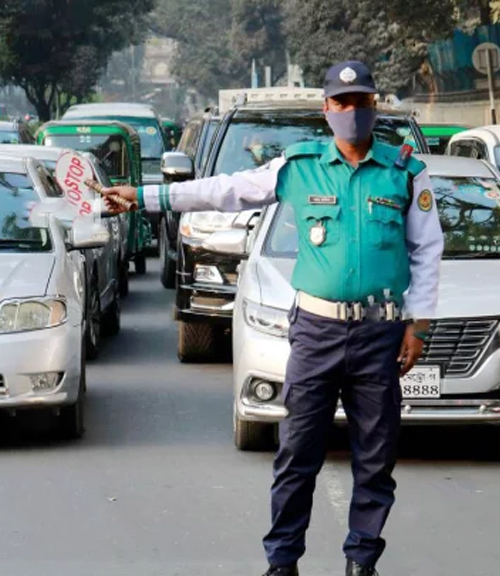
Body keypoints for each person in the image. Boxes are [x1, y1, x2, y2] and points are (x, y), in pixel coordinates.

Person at [101, 60, 444, 576]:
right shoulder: (298, 167)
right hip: (317, 331)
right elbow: (225, 190)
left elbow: (427, 251)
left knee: (375, 457)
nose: (353, 112)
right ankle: (283, 561)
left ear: (375, 107)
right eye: (343, 103)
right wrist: (147, 197)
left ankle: (362, 559)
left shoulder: (405, 171)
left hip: (381, 332)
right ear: (327, 109)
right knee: (296, 454)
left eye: (362, 103)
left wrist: (420, 324)